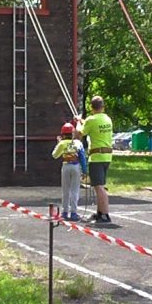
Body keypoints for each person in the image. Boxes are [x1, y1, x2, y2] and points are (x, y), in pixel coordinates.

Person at [75, 96, 113, 224]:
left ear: (91, 107)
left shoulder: (91, 120)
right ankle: (100, 212)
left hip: (96, 157)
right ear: (103, 107)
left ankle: (105, 214)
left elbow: (79, 134)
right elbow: (93, 125)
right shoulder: (107, 119)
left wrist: (78, 122)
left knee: (99, 187)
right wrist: (83, 121)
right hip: (107, 156)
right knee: (99, 185)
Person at [52, 123, 87, 222]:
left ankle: (64, 212)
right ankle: (74, 213)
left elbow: (54, 155)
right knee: (75, 190)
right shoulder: (78, 143)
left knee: (65, 190)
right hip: (76, 167)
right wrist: (85, 170)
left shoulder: (62, 143)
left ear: (62, 134)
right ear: (72, 133)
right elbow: (82, 157)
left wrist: (59, 143)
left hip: (66, 166)